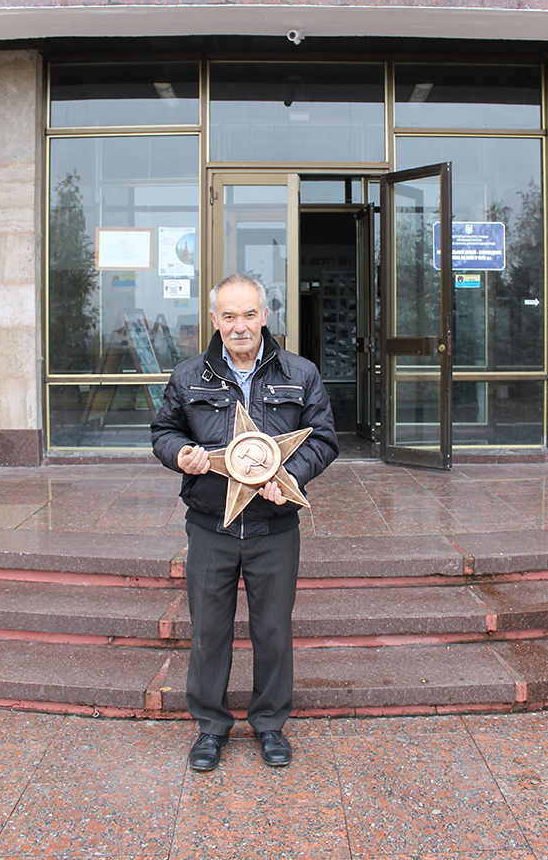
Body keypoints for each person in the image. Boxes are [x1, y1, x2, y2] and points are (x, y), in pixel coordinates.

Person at [151, 274, 338, 771]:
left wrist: (290, 475)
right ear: (214, 320)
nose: (240, 326)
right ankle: (210, 728)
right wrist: (181, 454)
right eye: (229, 316)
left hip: (274, 527)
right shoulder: (188, 376)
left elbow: (323, 439)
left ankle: (270, 724)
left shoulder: (301, 373)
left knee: (273, 630)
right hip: (210, 525)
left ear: (264, 316)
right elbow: (164, 431)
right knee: (209, 631)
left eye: (249, 314)